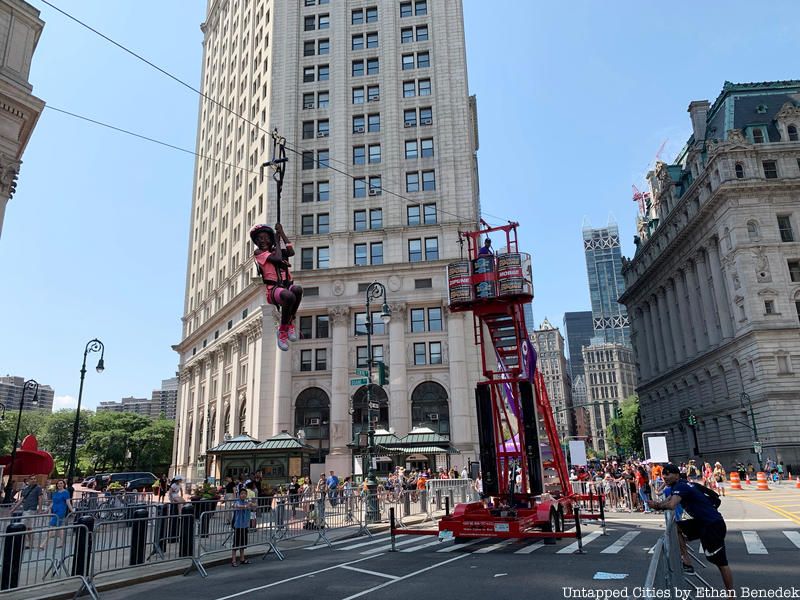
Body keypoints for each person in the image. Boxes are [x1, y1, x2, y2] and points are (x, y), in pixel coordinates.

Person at [651, 463, 733, 594]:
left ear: (677, 475)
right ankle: (687, 562)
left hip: (712, 525)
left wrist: (657, 506)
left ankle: (731, 595)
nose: (665, 476)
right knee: (677, 528)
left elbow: (671, 504)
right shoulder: (684, 485)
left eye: (668, 474)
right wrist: (657, 504)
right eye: (663, 474)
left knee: (720, 562)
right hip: (701, 523)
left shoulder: (681, 486)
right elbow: (670, 499)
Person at [250, 223, 303, 351]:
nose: (262, 241)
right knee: (288, 296)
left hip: (286, 286)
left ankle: (290, 321)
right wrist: (277, 241)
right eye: (259, 239)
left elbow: (291, 251)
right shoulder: (259, 253)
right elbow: (278, 258)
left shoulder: (276, 250)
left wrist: (282, 234)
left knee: (297, 290)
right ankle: (282, 331)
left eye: (266, 238)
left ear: (271, 238)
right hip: (273, 291)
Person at [10, 475, 43, 548]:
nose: (34, 480)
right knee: (28, 527)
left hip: (31, 509)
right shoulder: (26, 489)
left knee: (23, 525)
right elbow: (21, 500)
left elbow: (40, 498)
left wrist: (40, 509)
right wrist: (14, 509)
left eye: (34, 479)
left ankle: (22, 542)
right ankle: (30, 543)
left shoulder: (38, 488)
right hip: (26, 509)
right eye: (32, 479)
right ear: (29, 480)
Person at [40, 480, 73, 550]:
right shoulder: (56, 492)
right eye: (58, 483)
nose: (59, 485)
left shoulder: (66, 492)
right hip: (55, 510)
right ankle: (62, 542)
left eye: (61, 483)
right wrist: (46, 510)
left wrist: (72, 511)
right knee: (59, 527)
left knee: (52, 527)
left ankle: (43, 544)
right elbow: (53, 503)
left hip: (60, 511)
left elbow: (68, 502)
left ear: (64, 484)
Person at [231, 488, 256, 566]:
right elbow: (236, 506)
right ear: (239, 495)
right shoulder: (237, 501)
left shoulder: (247, 502)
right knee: (236, 543)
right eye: (242, 493)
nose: (243, 495)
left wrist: (252, 504)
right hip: (238, 526)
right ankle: (233, 560)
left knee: (243, 543)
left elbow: (255, 506)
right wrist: (246, 506)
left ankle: (242, 559)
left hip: (245, 525)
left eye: (245, 493)